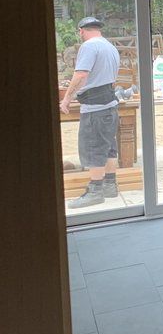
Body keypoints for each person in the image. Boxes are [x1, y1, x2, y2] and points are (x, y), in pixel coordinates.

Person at [60, 17, 121, 208]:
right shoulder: (109, 47)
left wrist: (67, 98)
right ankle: (110, 185)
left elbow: (81, 74)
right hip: (110, 104)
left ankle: (95, 191)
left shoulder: (89, 46)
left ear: (81, 31)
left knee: (93, 147)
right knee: (109, 146)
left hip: (95, 107)